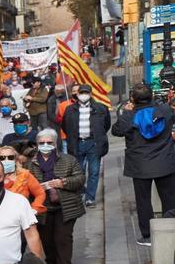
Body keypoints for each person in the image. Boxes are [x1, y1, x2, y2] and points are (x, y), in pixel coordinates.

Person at [113, 83, 175, 245]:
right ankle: (171, 227)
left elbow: (116, 131)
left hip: (140, 165)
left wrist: (126, 112)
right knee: (169, 198)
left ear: (133, 99)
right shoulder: (165, 112)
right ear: (152, 96)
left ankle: (148, 235)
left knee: (143, 201)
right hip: (165, 163)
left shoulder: (130, 116)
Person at [28, 130, 86, 264]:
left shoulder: (68, 160)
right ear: (37, 145)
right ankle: (51, 263)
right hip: (42, 207)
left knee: (63, 238)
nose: (45, 146)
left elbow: (80, 179)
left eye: (49, 143)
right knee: (46, 238)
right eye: (42, 143)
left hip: (65, 206)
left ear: (55, 144)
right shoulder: (30, 163)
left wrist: (63, 182)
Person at [62, 84, 111, 207]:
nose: (83, 95)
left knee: (94, 171)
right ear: (77, 94)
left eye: (86, 93)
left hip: (93, 143)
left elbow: (106, 125)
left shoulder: (100, 108)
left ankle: (90, 198)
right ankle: (79, 194)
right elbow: (65, 126)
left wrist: (98, 136)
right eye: (81, 93)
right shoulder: (70, 109)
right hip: (77, 143)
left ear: (90, 94)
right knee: (79, 172)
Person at [0, 145, 46, 216]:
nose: (6, 160)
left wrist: (34, 209)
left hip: (21, 217)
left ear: (15, 160)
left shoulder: (25, 175)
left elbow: (40, 193)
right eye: (2, 158)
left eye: (10, 157)